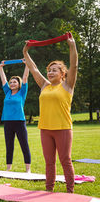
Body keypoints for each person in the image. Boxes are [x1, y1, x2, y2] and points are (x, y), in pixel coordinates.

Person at [23, 32, 78, 193]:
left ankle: (70, 191)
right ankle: (49, 190)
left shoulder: (68, 85)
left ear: (63, 74)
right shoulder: (45, 85)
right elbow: (33, 68)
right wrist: (25, 52)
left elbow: (74, 65)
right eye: (49, 70)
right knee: (49, 162)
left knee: (65, 160)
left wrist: (72, 45)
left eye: (54, 70)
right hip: (45, 129)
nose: (50, 72)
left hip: (63, 128)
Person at [0, 60, 31, 172]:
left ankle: (28, 169)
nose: (12, 84)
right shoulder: (7, 92)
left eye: (15, 82)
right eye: (11, 82)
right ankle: (8, 168)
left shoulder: (22, 92)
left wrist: (27, 65)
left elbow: (25, 76)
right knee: (9, 145)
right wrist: (1, 67)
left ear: (19, 84)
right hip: (8, 122)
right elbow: (3, 79)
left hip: (19, 122)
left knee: (24, 145)